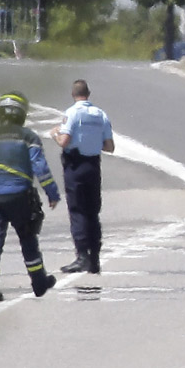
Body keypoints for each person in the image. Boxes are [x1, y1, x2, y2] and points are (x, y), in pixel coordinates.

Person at [0, 91, 59, 301]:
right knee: (28, 237)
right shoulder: (28, 137)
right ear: (22, 114)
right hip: (20, 194)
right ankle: (39, 282)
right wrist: (52, 192)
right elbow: (40, 167)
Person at [54, 79, 115, 274]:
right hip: (93, 165)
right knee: (92, 211)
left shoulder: (71, 113)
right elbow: (109, 147)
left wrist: (54, 134)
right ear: (88, 93)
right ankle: (95, 258)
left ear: (73, 94)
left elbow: (64, 141)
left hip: (75, 165)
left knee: (77, 210)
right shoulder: (100, 114)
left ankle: (82, 256)